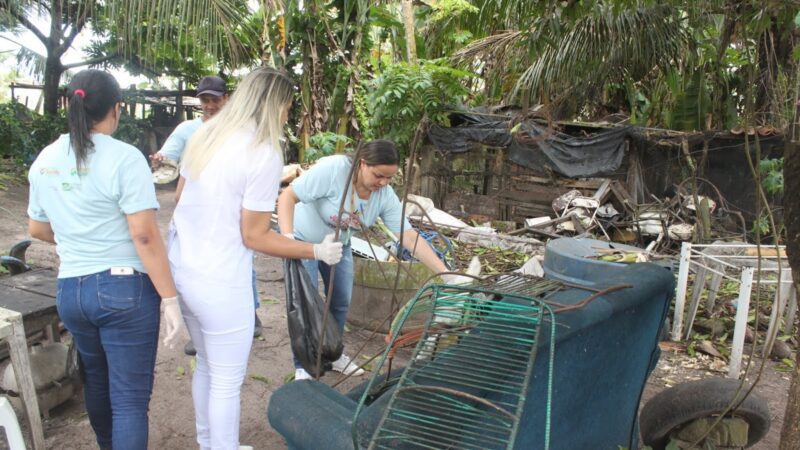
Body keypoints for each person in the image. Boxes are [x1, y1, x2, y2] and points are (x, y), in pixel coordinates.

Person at [168, 67, 343, 450]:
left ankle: (207, 443)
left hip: (183, 270)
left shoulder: (206, 136)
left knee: (207, 369)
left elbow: (180, 200)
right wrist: (314, 249)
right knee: (227, 382)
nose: (287, 115)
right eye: (287, 106)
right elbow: (255, 235)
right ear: (275, 103)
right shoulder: (262, 151)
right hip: (220, 282)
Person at [27, 69, 183, 450]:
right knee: (129, 399)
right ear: (116, 109)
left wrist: (75, 237)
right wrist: (170, 298)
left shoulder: (44, 159)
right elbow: (144, 235)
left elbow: (37, 229)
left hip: (71, 292)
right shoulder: (125, 158)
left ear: (69, 105)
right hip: (122, 291)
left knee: (97, 382)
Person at [277, 139, 470, 381]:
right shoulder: (334, 171)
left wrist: (447, 274)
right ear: (362, 163)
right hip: (304, 240)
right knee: (306, 303)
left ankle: (334, 355)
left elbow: (408, 237)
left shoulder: (384, 196)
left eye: (389, 178)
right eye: (379, 175)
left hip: (339, 245)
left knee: (340, 301)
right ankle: (304, 365)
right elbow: (288, 197)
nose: (383, 183)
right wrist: (288, 240)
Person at [151, 76, 263, 354]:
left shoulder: (240, 131)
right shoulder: (189, 130)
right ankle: (200, 329)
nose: (210, 105)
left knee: (238, 258)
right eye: (205, 100)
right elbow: (169, 158)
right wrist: (160, 159)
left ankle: (250, 314)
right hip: (196, 213)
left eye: (215, 99)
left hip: (229, 212)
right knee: (195, 264)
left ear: (226, 98)